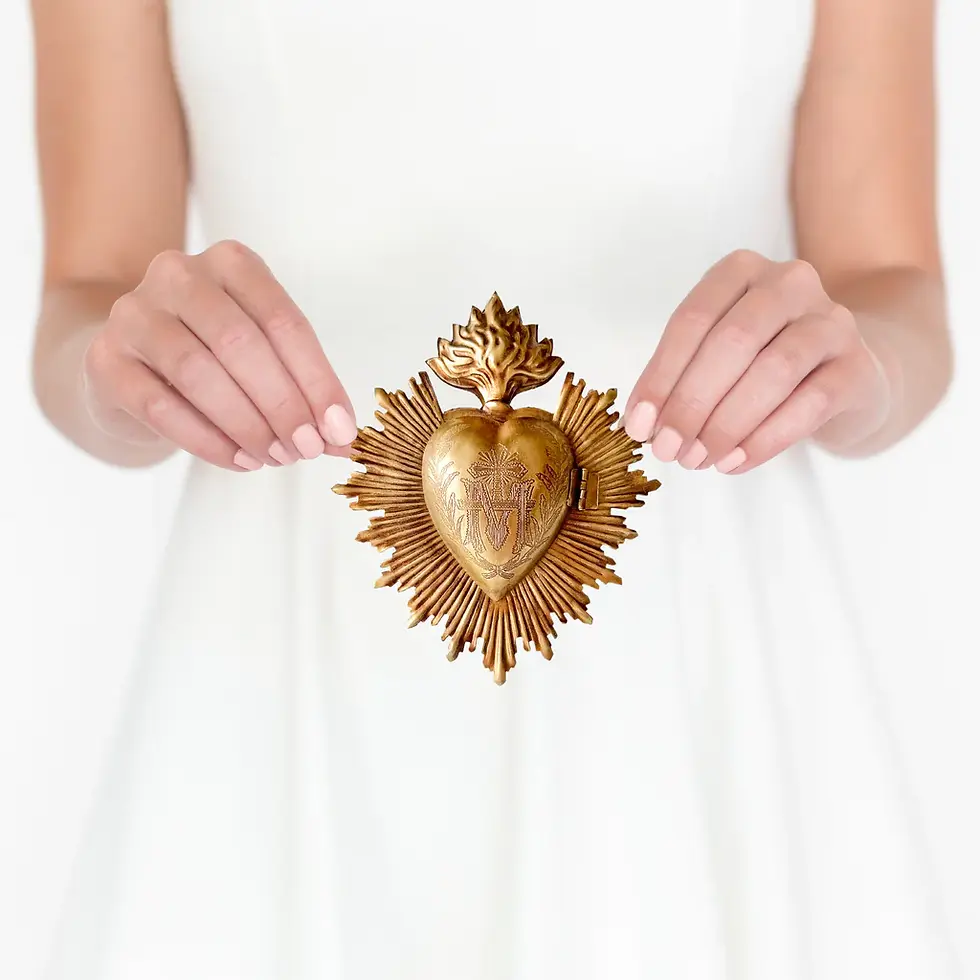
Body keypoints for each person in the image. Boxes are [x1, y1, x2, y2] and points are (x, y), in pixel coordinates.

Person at [30, 0, 958, 977]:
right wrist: (125, 371)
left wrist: (856, 371)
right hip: (279, 663)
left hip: (696, 668)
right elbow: (87, 294)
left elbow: (888, 280)